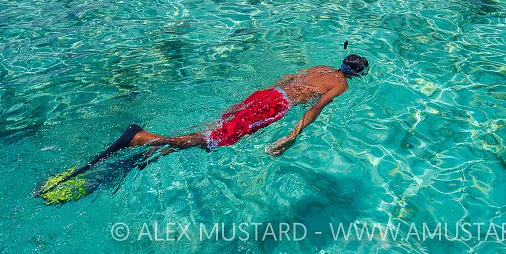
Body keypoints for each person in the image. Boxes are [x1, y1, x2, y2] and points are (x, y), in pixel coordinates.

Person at [119, 54, 369, 157]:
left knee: (218, 127)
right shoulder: (341, 85)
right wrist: (293, 135)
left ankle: (161, 150)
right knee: (217, 138)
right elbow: (315, 108)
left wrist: (255, 101)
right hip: (276, 105)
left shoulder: (320, 68)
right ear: (356, 74)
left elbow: (286, 80)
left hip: (267, 94)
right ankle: (146, 138)